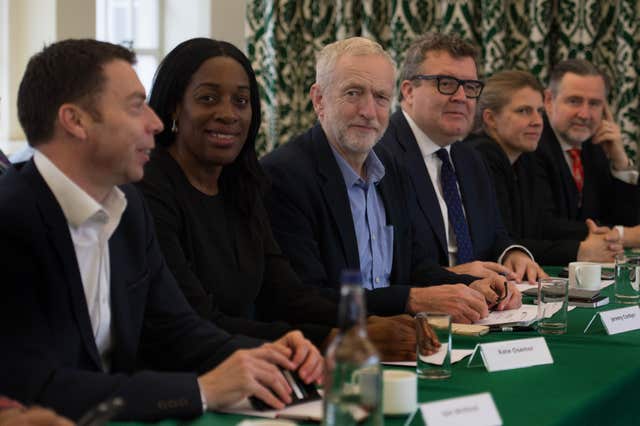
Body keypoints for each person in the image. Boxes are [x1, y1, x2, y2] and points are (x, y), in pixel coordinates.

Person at [0, 39, 322, 422]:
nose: (155, 122)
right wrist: (201, 390)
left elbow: (177, 328)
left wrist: (259, 355)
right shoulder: (12, 219)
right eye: (136, 106)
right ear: (76, 121)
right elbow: (33, 386)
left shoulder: (127, 208)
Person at [137, 38, 416, 359]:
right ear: (174, 105)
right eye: (208, 98)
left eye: (241, 101)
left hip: (248, 364)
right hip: (180, 376)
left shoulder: (240, 185)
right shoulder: (149, 188)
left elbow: (284, 294)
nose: (228, 114)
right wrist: (335, 339)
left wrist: (366, 323)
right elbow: (196, 321)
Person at [262, 37, 521, 325]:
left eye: (380, 97)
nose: (369, 111)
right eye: (353, 93)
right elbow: (303, 300)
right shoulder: (285, 176)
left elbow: (412, 266)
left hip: (402, 340)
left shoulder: (390, 170)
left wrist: (469, 284)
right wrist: (411, 299)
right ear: (319, 99)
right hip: (336, 351)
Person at [379, 32, 545, 283]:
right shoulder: (380, 156)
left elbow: (494, 233)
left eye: (470, 87)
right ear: (409, 91)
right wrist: (455, 278)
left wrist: (512, 254)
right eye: (445, 83)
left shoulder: (469, 157)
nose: (460, 97)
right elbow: (385, 268)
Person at [466, 70, 622, 265]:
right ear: (490, 119)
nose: (537, 122)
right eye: (523, 111)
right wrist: (580, 250)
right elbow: (499, 244)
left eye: (539, 111)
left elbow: (536, 230)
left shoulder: (523, 156)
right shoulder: (479, 156)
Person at [533, 58, 640, 242]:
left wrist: (620, 163)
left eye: (594, 104)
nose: (584, 114)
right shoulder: (533, 144)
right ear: (549, 100)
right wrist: (619, 235)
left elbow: (626, 219)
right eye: (574, 101)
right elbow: (544, 225)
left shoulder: (594, 146)